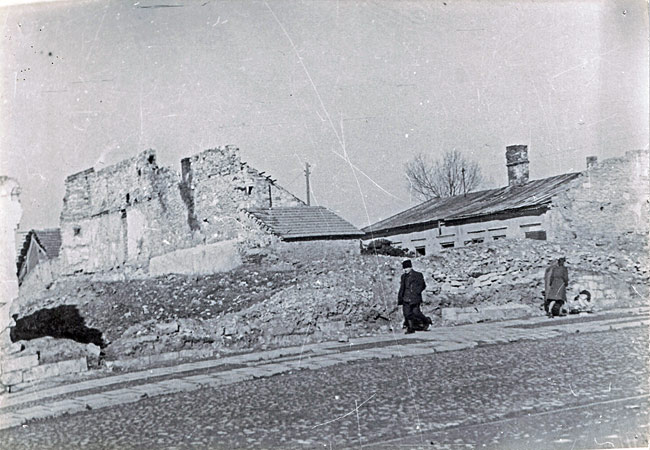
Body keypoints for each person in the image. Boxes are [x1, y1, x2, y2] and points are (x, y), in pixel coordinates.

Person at [397, 259, 432, 334]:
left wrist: (416, 292)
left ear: (410, 267)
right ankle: (411, 328)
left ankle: (427, 320)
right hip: (405, 297)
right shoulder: (403, 276)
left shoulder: (418, 275)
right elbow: (402, 287)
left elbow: (423, 285)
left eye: (406, 268)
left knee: (416, 313)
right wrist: (400, 296)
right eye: (404, 268)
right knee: (407, 313)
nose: (405, 270)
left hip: (414, 297)